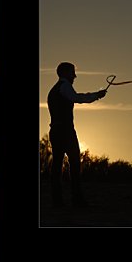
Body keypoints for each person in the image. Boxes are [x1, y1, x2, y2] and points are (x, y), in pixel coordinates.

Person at [46, 62, 106, 207]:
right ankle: (77, 199)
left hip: (55, 130)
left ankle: (58, 200)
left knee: (57, 164)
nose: (75, 76)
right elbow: (77, 98)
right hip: (65, 131)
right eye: (72, 72)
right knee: (74, 163)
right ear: (65, 73)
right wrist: (96, 95)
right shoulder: (64, 86)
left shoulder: (54, 89)